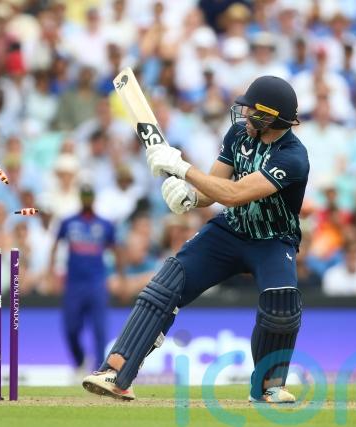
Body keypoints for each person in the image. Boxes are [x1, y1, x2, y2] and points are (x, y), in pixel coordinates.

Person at [83, 76, 309, 404]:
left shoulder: (293, 157)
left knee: (282, 304)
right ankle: (116, 372)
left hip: (273, 239)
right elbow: (213, 189)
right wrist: (189, 196)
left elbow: (234, 193)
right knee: (167, 283)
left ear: (269, 117)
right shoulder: (238, 135)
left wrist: (182, 168)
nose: (244, 116)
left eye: (251, 111)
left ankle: (267, 387)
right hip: (231, 230)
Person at [49, 185, 117, 374]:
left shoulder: (105, 224)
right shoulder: (68, 222)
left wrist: (121, 277)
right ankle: (79, 360)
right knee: (70, 328)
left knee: (99, 330)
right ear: (80, 198)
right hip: (74, 283)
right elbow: (55, 246)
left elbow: (117, 250)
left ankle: (99, 370)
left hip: (96, 283)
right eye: (84, 196)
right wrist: (51, 273)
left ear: (93, 198)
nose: (87, 200)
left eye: (89, 196)